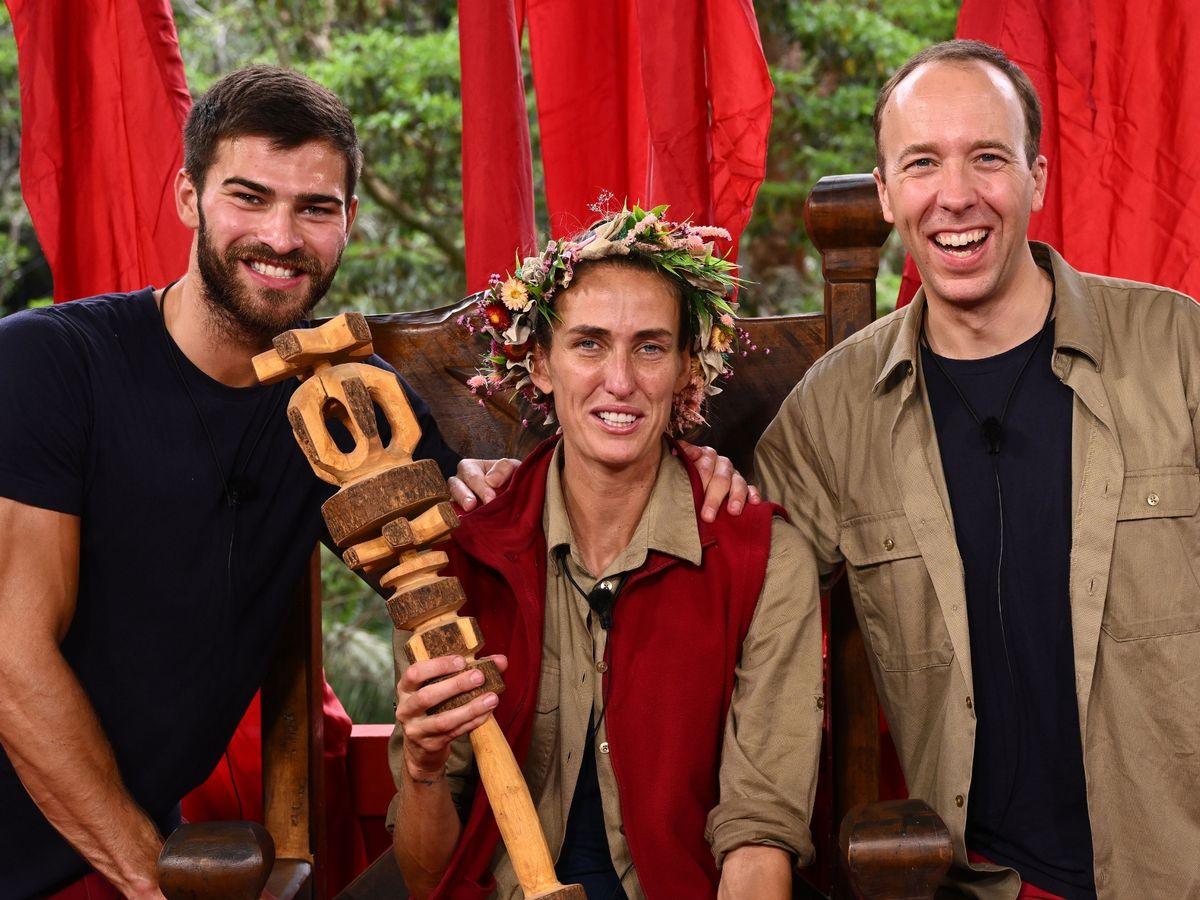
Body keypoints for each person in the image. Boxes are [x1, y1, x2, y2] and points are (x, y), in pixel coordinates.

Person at [0, 67, 750, 899]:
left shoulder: (343, 400)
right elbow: (11, 657)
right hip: (81, 845)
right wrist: (150, 884)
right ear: (188, 197)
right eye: (249, 197)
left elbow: (493, 541)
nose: (281, 237)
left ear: (348, 222)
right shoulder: (50, 363)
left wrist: (677, 467)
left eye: (315, 208)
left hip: (127, 854)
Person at [756, 40, 1199, 900]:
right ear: (887, 193)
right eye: (922, 163)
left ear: (1037, 178)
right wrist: (515, 487)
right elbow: (731, 605)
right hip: (981, 882)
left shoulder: (1179, 350)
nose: (955, 194)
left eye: (987, 158)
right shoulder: (831, 414)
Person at [390, 206, 823, 899]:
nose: (619, 381)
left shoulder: (765, 561)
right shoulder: (456, 559)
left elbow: (758, 835)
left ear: (687, 369)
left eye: (649, 348)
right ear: (540, 364)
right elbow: (425, 877)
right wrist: (422, 768)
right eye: (589, 344)